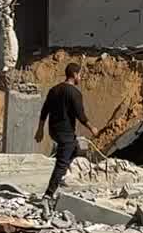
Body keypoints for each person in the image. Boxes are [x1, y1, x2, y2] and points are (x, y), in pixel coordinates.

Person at [37, 62, 98, 199]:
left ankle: (63, 176)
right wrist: (92, 128)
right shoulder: (74, 93)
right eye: (80, 75)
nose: (80, 78)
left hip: (54, 131)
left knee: (75, 149)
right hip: (65, 133)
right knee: (62, 162)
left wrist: (40, 130)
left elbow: (44, 110)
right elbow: (80, 115)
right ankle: (48, 194)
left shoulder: (54, 90)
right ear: (75, 75)